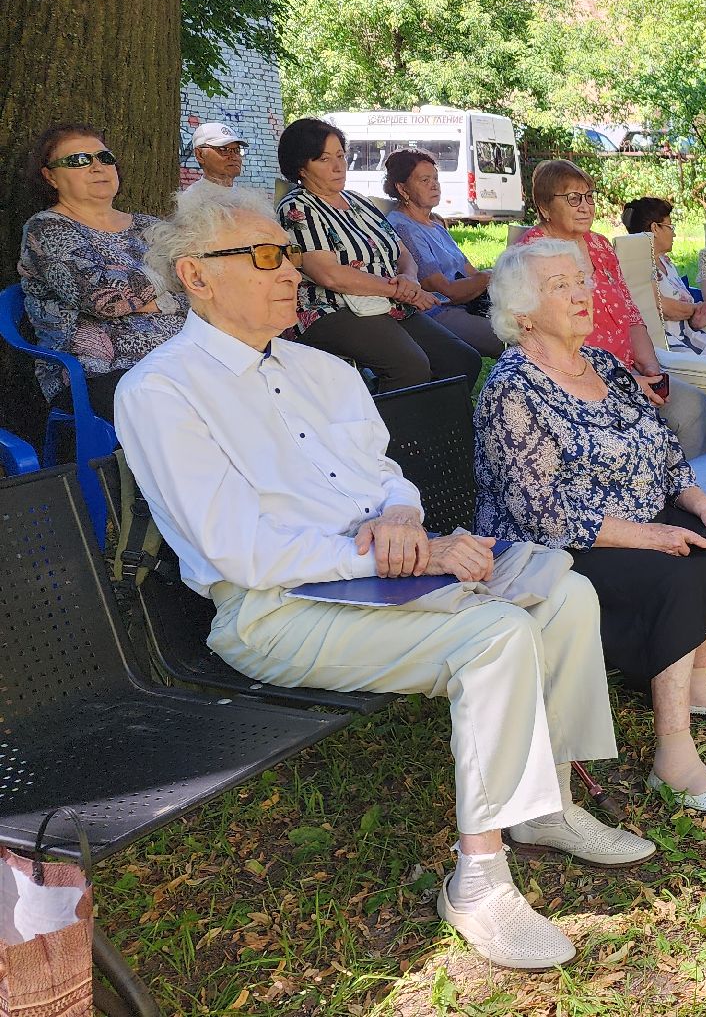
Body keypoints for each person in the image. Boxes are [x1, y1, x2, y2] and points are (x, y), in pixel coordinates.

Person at [120, 184, 650, 971]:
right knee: (497, 634)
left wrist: (402, 520)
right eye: (266, 256)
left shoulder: (318, 368)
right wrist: (395, 554)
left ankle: (547, 806)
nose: (290, 272)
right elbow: (238, 553)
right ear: (196, 276)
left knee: (566, 592)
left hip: (379, 578)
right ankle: (479, 879)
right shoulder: (162, 390)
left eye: (289, 255)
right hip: (272, 614)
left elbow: (385, 478)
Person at [474, 238, 706, 814]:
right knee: (676, 578)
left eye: (581, 280)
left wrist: (705, 508)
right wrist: (654, 535)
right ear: (522, 312)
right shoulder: (513, 389)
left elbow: (665, 453)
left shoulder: (605, 365)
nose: (582, 293)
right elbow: (543, 512)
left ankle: (696, 680)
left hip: (635, 517)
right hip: (554, 546)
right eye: (560, 286)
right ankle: (674, 758)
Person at [519, 160, 706, 456]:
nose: (585, 206)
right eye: (573, 198)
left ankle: (693, 496)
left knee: (693, 407)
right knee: (638, 427)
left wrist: (651, 368)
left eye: (588, 196)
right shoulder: (531, 255)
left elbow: (632, 314)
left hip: (627, 371)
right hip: (573, 382)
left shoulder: (599, 245)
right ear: (545, 208)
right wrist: (625, 383)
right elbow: (545, 342)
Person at [275, 118, 480, 393]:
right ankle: (390, 434)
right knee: (409, 366)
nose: (338, 166)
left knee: (461, 360)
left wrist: (409, 278)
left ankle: (440, 429)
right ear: (300, 166)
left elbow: (402, 251)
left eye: (340, 156)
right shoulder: (297, 207)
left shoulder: (359, 201)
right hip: (334, 308)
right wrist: (399, 290)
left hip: (389, 302)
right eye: (324, 159)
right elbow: (330, 275)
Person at [17, 122, 185, 420]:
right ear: (50, 176)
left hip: (178, 359)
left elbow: (199, 285)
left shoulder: (148, 226)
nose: (97, 167)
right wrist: (165, 275)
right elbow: (104, 299)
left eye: (104, 158)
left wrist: (154, 300)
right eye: (78, 160)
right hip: (98, 374)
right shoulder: (46, 229)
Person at [381, 149, 504, 357]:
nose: (434, 185)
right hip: (437, 312)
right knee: (516, 340)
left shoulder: (435, 225)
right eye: (424, 180)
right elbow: (446, 291)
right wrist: (488, 277)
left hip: (468, 304)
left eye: (436, 178)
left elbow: (470, 272)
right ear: (402, 188)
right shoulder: (403, 227)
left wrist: (485, 279)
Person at [621, 196, 706, 357]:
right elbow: (660, 306)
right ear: (655, 228)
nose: (674, 234)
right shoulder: (640, 266)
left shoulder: (665, 262)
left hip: (689, 336)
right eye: (670, 227)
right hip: (668, 345)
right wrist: (696, 308)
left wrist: (696, 318)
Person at [189, 121, 246, 187]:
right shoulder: (194, 196)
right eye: (224, 149)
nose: (234, 156)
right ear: (200, 155)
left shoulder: (242, 194)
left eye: (237, 150)